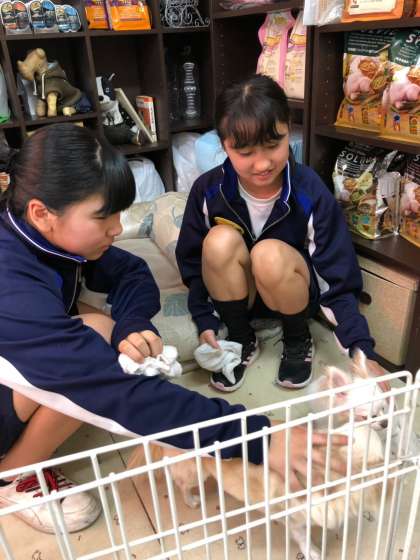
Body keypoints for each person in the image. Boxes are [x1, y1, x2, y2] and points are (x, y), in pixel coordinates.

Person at [0, 123, 347, 534]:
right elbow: (113, 388)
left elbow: (131, 271)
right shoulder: (11, 280)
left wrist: (131, 323)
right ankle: (10, 475)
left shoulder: (48, 237)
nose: (117, 229)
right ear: (42, 212)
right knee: (95, 350)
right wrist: (257, 437)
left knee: (102, 328)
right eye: (103, 217)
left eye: (119, 215)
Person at [176, 74, 385, 393]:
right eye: (245, 152)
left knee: (268, 254)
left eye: (273, 145)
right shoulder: (208, 189)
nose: (262, 164)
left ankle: (298, 339)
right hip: (238, 298)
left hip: (293, 294)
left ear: (289, 129)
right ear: (224, 145)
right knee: (218, 241)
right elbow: (193, 263)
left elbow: (337, 276)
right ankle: (240, 338)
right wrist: (205, 318)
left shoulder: (309, 190)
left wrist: (361, 350)